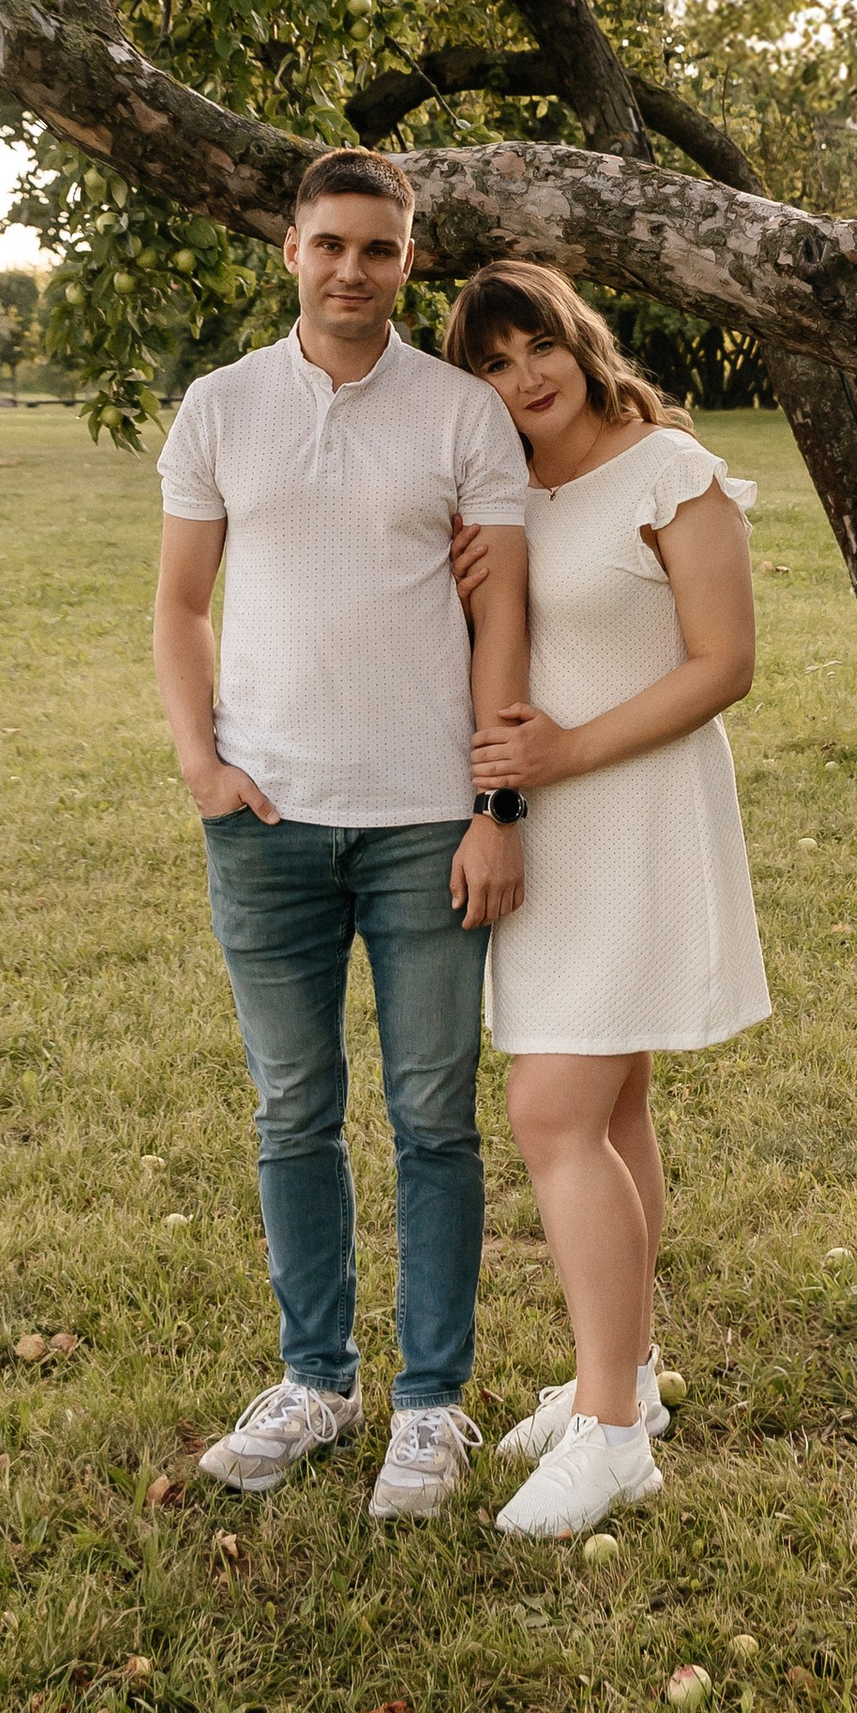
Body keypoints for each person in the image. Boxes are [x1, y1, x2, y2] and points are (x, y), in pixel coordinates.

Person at [151, 151, 534, 1523]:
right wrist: (202, 761)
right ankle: (318, 1380)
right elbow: (184, 603)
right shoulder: (221, 408)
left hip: (428, 823)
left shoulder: (463, 416)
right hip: (266, 823)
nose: (351, 270)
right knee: (290, 1109)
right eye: (329, 245)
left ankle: (431, 1407)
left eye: (378, 248)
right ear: (291, 251)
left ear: (409, 260)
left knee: (433, 1115)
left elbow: (504, 619)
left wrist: (497, 806)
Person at [441, 261, 767, 1541]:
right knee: (612, 1099)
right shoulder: (509, 489)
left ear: (576, 338)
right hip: (549, 821)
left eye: (536, 346)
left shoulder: (667, 469)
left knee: (550, 1105)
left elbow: (726, 662)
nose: (524, 377)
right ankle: (615, 1376)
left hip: (632, 810)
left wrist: (562, 754)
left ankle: (615, 1441)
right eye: (493, 365)